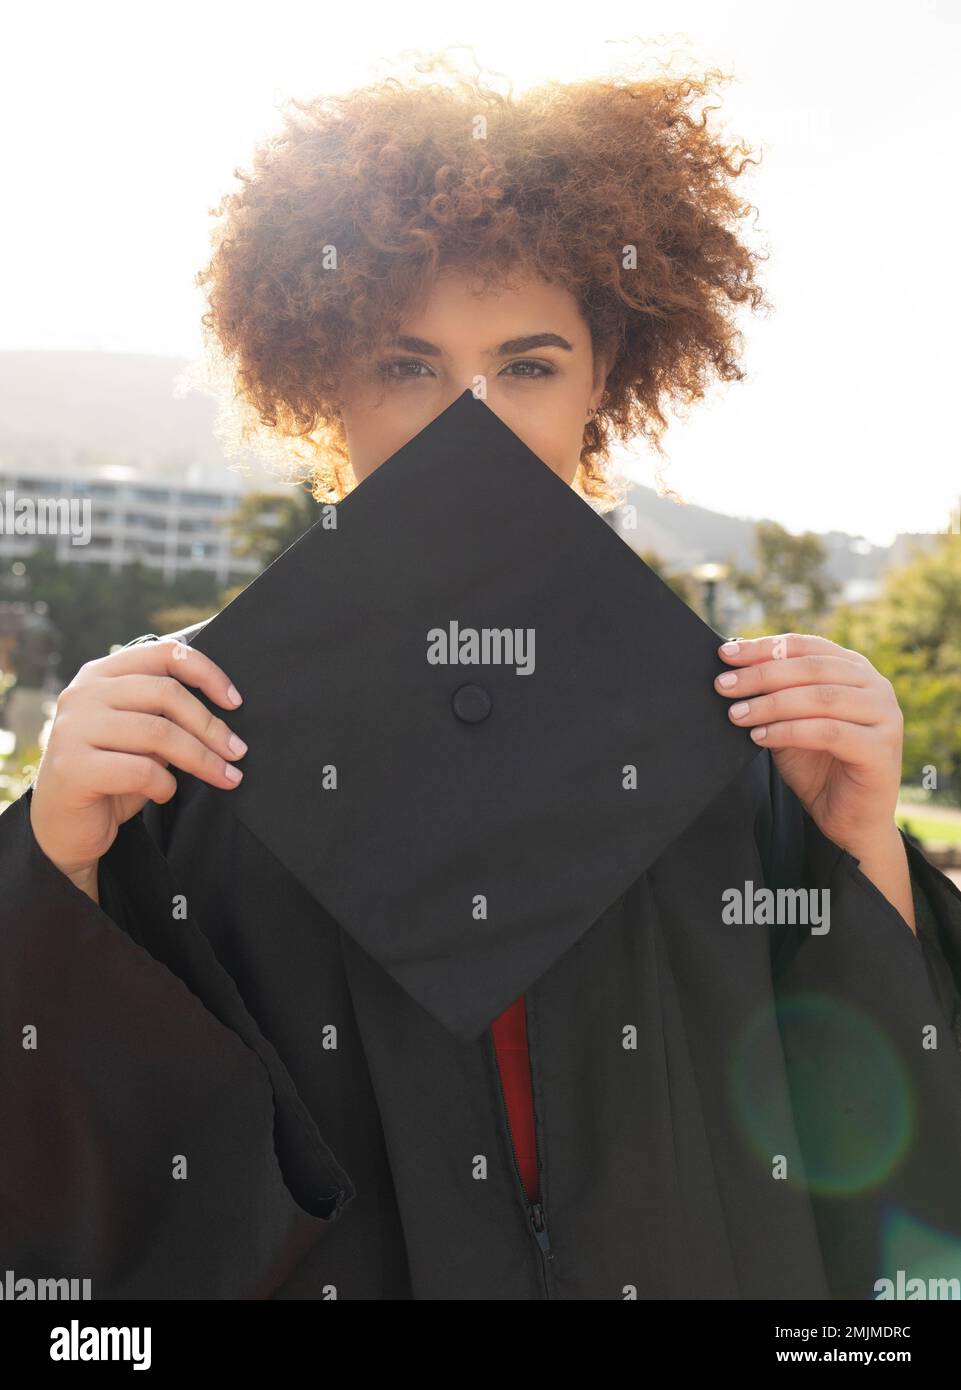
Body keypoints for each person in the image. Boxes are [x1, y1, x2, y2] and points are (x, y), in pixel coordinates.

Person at [4, 53, 961, 1301]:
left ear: (602, 379)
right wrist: (56, 862)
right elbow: (83, 1189)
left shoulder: (727, 732)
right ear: (319, 376)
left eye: (528, 365)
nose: (470, 419)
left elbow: (879, 1156)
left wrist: (857, 850)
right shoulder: (195, 741)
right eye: (407, 366)